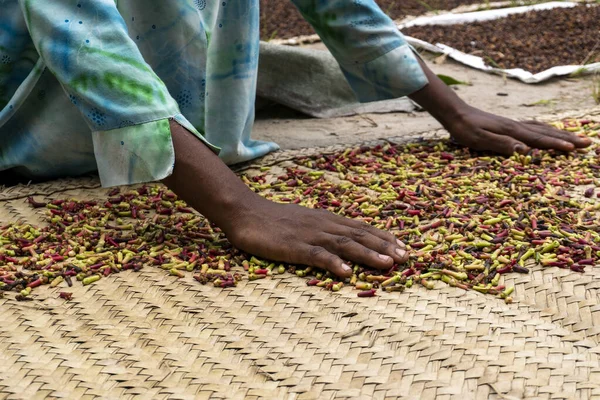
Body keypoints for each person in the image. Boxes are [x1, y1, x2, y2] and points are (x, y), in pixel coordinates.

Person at [0, 1, 590, 278]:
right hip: (33, 112)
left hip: (197, 100)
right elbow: (86, 41)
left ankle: (191, 136)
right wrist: (238, 205)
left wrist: (451, 109)